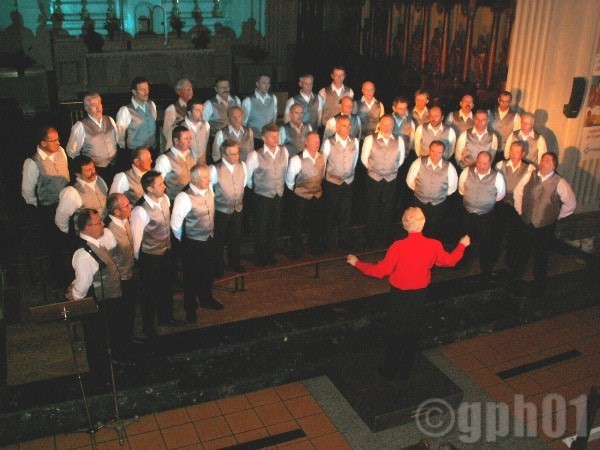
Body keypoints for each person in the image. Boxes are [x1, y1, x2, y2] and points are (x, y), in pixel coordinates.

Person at [347, 207, 470, 380]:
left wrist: (357, 263)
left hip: (399, 296)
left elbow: (380, 271)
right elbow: (449, 261)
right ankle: (405, 370)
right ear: (423, 223)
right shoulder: (433, 245)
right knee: (411, 331)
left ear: (405, 225)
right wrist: (462, 246)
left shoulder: (398, 246)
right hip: (420, 294)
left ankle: (389, 369)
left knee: (395, 330)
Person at [66, 208, 122, 380]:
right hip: (97, 304)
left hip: (107, 300)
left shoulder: (96, 243)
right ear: (87, 227)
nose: (103, 224)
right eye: (99, 222)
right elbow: (83, 284)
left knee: (105, 338)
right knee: (97, 340)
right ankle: (101, 375)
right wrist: (74, 295)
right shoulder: (83, 253)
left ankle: (108, 368)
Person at [513, 152, 576, 294]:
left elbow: (570, 203)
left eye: (547, 161)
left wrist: (557, 216)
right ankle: (516, 276)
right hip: (527, 221)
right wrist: (520, 210)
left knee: (541, 255)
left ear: (554, 165)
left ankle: (539, 284)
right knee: (522, 250)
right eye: (542, 160)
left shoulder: (560, 182)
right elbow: (518, 192)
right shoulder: (530, 176)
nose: (543, 163)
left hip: (545, 226)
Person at [131, 171, 182, 339]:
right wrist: (140, 260)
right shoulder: (140, 210)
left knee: (166, 287)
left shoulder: (165, 199)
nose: (164, 186)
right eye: (160, 184)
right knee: (149, 293)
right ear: (149, 189)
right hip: (150, 256)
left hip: (166, 251)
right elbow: (136, 240)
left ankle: (166, 318)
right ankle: (148, 327)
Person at [171, 164, 224, 323]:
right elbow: (175, 225)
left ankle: (206, 299)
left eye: (209, 176)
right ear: (194, 179)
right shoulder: (184, 197)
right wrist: (186, 242)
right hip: (192, 243)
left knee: (208, 271)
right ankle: (190, 308)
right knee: (191, 277)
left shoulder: (209, 189)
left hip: (209, 238)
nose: (210, 180)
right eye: (205, 177)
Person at [22, 126, 71, 285]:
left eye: (58, 139)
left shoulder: (61, 151)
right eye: (54, 140)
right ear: (43, 143)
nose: (58, 143)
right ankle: (59, 277)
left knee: (70, 239)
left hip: (66, 203)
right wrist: (40, 206)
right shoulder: (32, 162)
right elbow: (27, 191)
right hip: (49, 207)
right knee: (53, 244)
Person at [246, 124, 289, 266]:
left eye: (277, 136)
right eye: (272, 137)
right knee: (261, 228)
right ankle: (260, 256)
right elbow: (248, 178)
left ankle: (271, 253)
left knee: (274, 227)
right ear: (264, 138)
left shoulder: (284, 151)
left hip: (278, 195)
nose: (276, 139)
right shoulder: (255, 155)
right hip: (261, 197)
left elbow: (285, 171)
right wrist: (259, 188)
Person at [458, 151, 506, 277]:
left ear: (490, 163)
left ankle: (485, 265)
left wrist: (486, 202)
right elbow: (461, 189)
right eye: (479, 162)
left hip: (486, 215)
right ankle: (462, 261)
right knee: (464, 238)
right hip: (467, 212)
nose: (481, 166)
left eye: (485, 163)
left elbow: (500, 195)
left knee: (486, 241)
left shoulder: (497, 176)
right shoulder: (466, 171)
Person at [361, 115, 405, 246]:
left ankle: (385, 237)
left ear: (393, 126)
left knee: (388, 208)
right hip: (373, 178)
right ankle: (371, 238)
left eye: (390, 125)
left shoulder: (399, 140)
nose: (387, 127)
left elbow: (400, 159)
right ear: (379, 125)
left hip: (391, 179)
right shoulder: (370, 139)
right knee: (372, 208)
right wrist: (375, 169)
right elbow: (364, 159)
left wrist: (390, 170)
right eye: (384, 124)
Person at [105, 194, 137, 363]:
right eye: (126, 205)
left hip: (129, 274)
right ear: (116, 212)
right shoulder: (109, 231)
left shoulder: (125, 221)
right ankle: (119, 351)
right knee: (118, 317)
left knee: (129, 312)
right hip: (118, 280)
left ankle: (129, 341)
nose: (130, 207)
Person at [406, 140, 458, 241]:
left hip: (438, 206)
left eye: (439, 152)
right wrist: (421, 192)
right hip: (419, 202)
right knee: (417, 230)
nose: (435, 155)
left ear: (443, 153)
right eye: (433, 151)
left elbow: (452, 187)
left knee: (435, 232)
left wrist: (438, 195)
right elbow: (410, 181)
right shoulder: (418, 162)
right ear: (429, 150)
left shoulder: (449, 167)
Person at [495, 141, 534, 275]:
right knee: (498, 232)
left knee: (514, 235)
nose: (513, 154)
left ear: (523, 154)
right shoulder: (500, 165)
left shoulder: (529, 168)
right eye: (512, 151)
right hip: (501, 204)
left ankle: (510, 261)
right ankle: (495, 258)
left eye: (517, 152)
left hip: (517, 206)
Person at [285, 131, 326, 259]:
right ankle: (296, 251)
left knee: (316, 224)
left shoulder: (322, 157)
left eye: (318, 141)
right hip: (301, 197)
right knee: (297, 226)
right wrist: (300, 191)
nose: (317, 144)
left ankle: (314, 248)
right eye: (314, 141)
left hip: (317, 196)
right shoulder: (297, 159)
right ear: (306, 142)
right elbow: (289, 181)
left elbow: (322, 175)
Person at [322, 115, 359, 250]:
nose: (348, 128)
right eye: (344, 126)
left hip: (348, 182)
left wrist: (348, 174)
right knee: (330, 213)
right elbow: (323, 162)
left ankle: (344, 241)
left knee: (346, 213)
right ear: (337, 127)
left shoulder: (355, 141)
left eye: (349, 125)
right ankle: (327, 242)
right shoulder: (329, 142)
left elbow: (355, 160)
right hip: (332, 182)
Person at [210, 140, 247, 275]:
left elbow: (243, 184)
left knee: (235, 238)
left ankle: (234, 262)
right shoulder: (215, 169)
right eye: (232, 154)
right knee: (219, 240)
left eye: (237, 153)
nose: (236, 156)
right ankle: (218, 266)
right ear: (223, 154)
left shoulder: (242, 165)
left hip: (237, 208)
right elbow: (210, 190)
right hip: (221, 210)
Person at [66, 92, 118, 184]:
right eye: (94, 105)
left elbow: (117, 141)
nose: (98, 108)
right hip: (94, 170)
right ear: (87, 108)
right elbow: (71, 151)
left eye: (99, 104)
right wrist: (84, 166)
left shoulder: (109, 119)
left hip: (114, 166)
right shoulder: (80, 126)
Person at [55, 156, 108, 234]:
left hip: (104, 225)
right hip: (88, 233)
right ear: (78, 174)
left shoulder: (100, 180)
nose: (93, 171)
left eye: (93, 167)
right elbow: (61, 218)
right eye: (88, 170)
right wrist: (68, 235)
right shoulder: (71, 192)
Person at [116, 76, 158, 156]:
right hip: (135, 153)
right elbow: (120, 136)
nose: (146, 92)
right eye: (142, 89)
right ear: (134, 92)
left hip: (152, 151)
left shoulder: (152, 105)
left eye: (147, 88)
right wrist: (124, 152)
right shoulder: (125, 110)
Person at [155, 126, 196, 201]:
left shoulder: (192, 153)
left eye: (190, 138)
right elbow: (156, 184)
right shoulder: (164, 159)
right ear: (176, 141)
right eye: (186, 139)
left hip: (192, 199)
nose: (189, 141)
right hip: (174, 200)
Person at [242, 74, 278, 148]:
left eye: (268, 83)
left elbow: (274, 118)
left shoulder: (273, 98)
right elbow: (243, 123)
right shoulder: (248, 100)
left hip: (269, 139)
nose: (267, 86)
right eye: (264, 83)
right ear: (257, 84)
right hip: (255, 139)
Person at [163, 79, 194, 150]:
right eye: (187, 89)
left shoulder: (194, 107)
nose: (190, 91)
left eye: (191, 89)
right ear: (179, 91)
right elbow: (167, 132)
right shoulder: (172, 109)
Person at [177, 98, 210, 164]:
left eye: (202, 110)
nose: (201, 113)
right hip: (186, 165)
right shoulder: (179, 127)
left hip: (202, 165)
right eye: (197, 110)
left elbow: (205, 147)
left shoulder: (206, 125)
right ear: (189, 112)